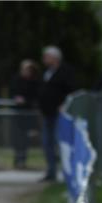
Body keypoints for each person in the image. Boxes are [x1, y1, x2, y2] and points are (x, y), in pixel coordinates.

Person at [38, 46, 75, 182]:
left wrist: (64, 105)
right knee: (47, 143)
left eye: (47, 56)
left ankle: (67, 172)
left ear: (55, 58)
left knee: (60, 143)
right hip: (47, 113)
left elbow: (70, 90)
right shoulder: (46, 72)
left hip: (59, 114)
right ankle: (51, 171)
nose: (44, 59)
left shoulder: (65, 72)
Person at [10, 59, 40, 169]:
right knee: (17, 137)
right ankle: (17, 159)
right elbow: (12, 92)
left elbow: (36, 96)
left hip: (28, 113)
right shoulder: (16, 79)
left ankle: (23, 159)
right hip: (18, 113)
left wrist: (26, 101)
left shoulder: (34, 82)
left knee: (25, 138)